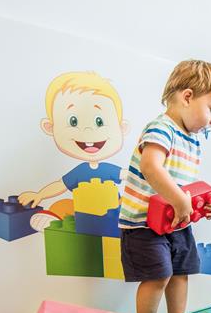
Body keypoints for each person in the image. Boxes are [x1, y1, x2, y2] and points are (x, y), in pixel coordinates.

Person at [117, 60, 211, 313]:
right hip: (144, 224)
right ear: (187, 97)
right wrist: (179, 199)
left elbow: (185, 184)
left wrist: (206, 204)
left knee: (181, 271)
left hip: (177, 222)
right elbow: (150, 166)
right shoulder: (161, 128)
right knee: (158, 275)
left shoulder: (193, 139)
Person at [18, 71, 130, 230]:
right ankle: (55, 222)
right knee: (63, 205)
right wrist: (40, 195)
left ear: (122, 128)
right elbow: (61, 185)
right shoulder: (81, 171)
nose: (88, 130)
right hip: (85, 213)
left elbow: (128, 175)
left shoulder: (108, 170)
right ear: (50, 127)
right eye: (73, 121)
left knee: (124, 203)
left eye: (99, 121)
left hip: (110, 214)